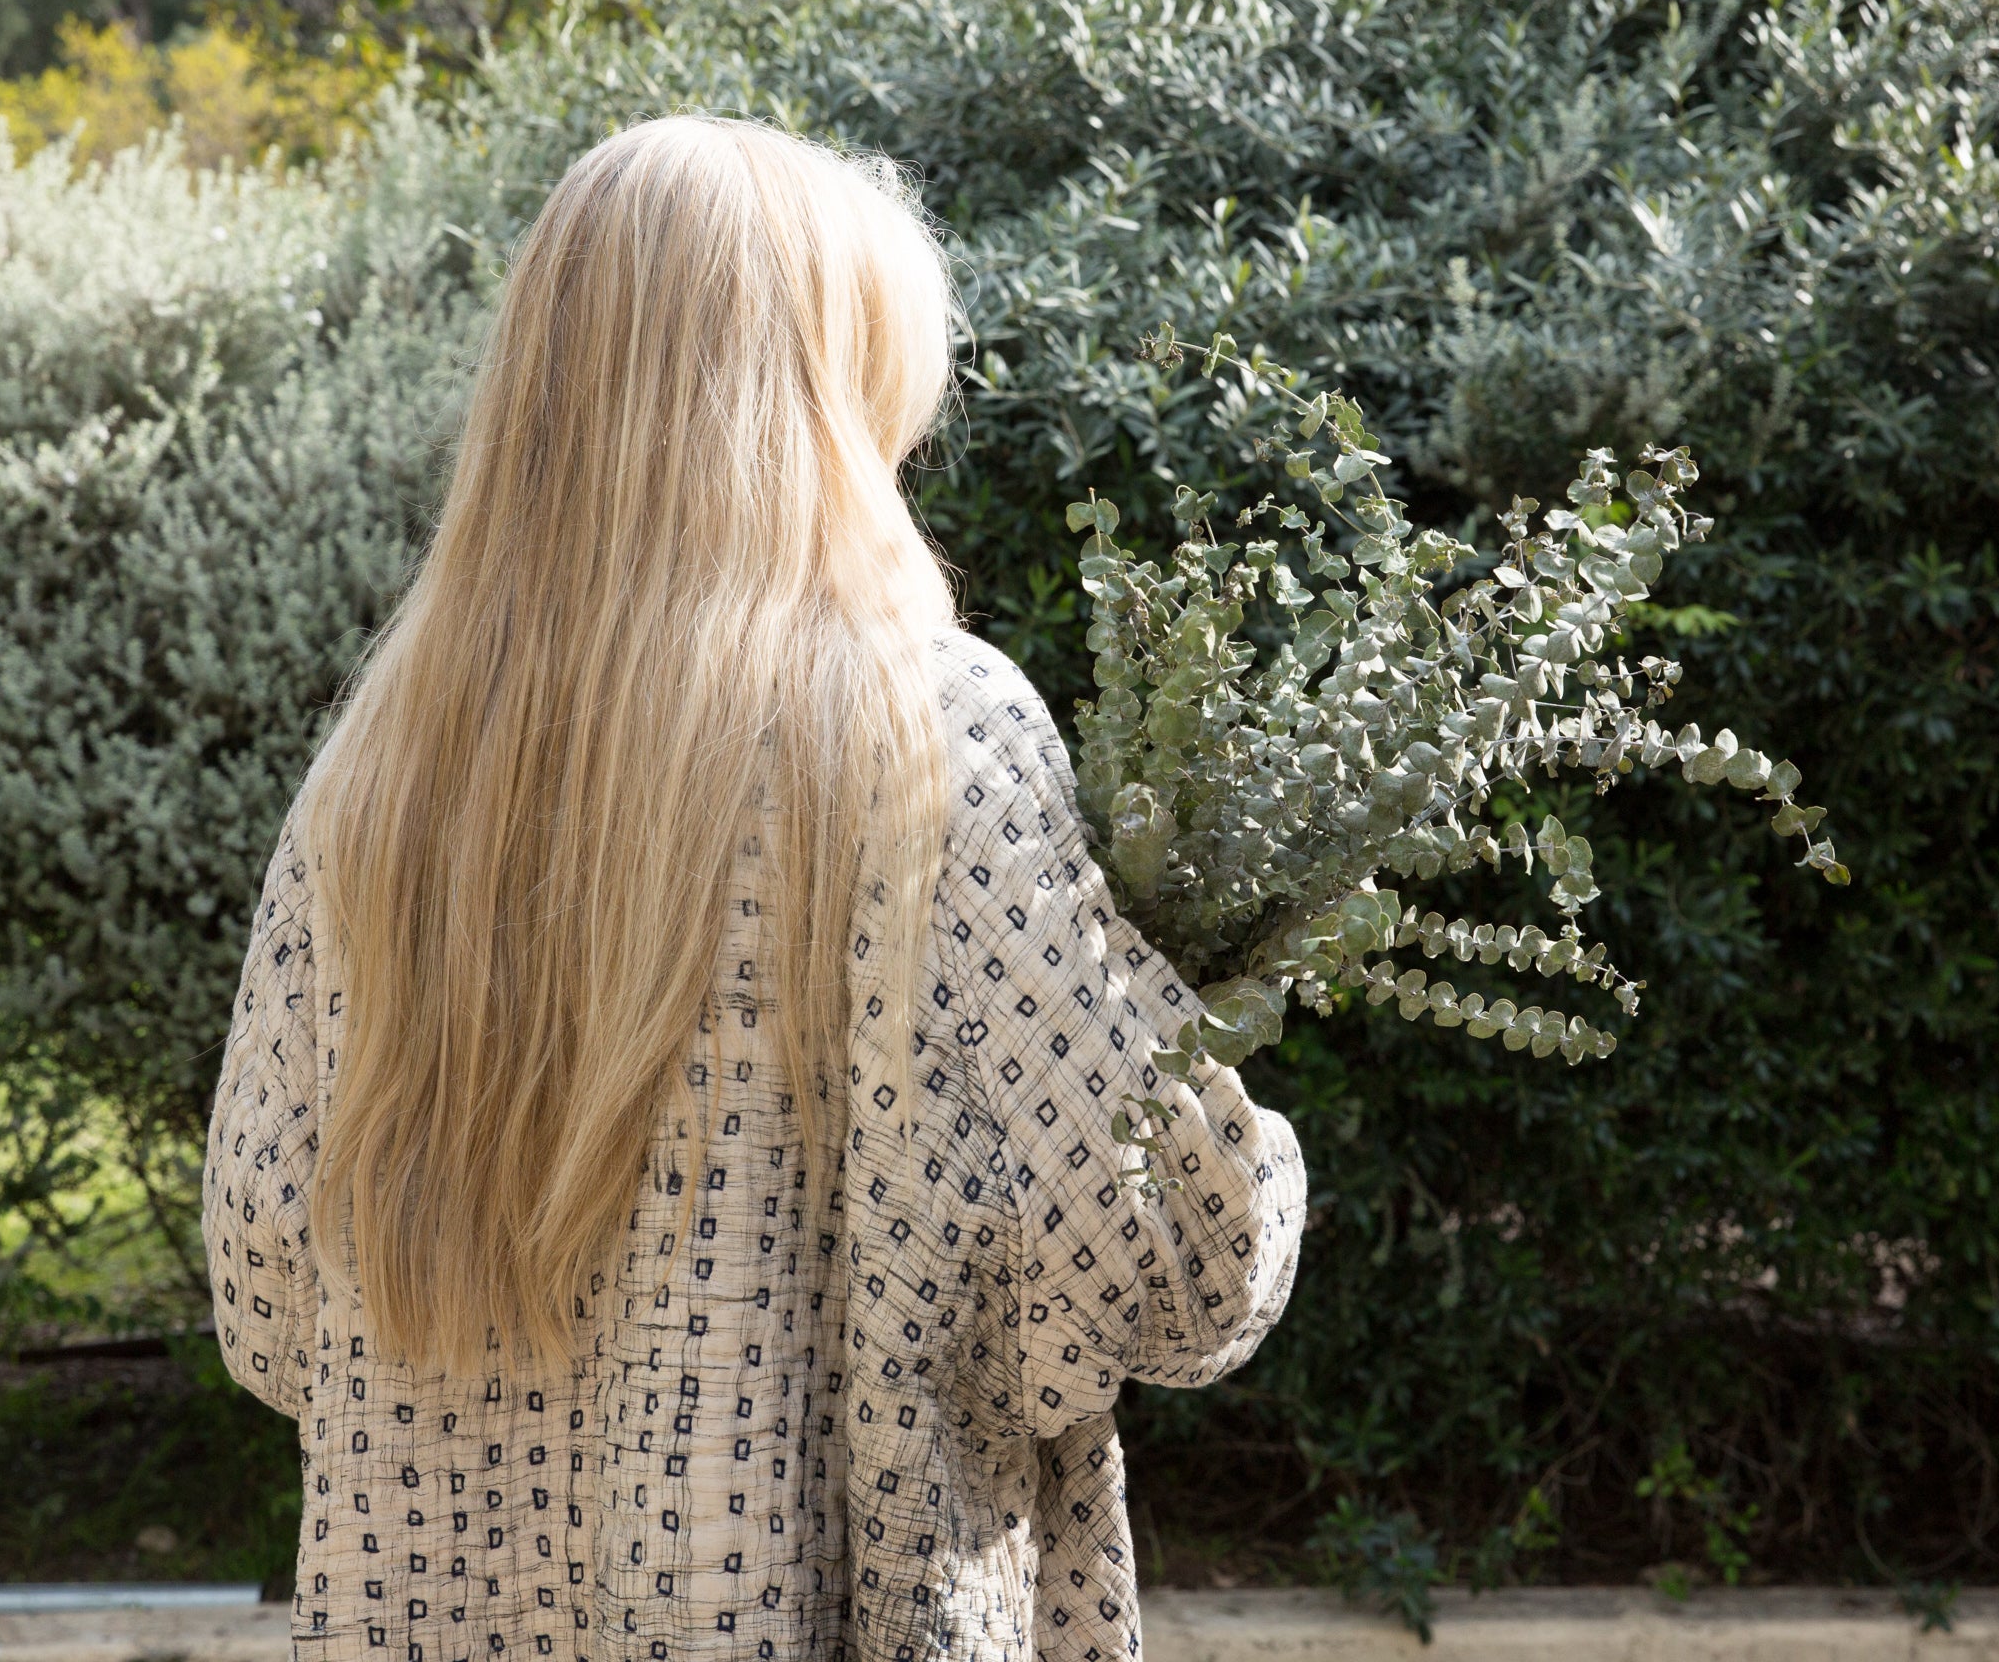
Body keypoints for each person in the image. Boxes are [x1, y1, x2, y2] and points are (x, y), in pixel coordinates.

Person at [201, 116, 1306, 1662]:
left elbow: (266, 1298)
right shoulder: (929, 737)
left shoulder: (379, 777)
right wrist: (1248, 1164)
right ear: (818, 399)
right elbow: (1144, 1275)